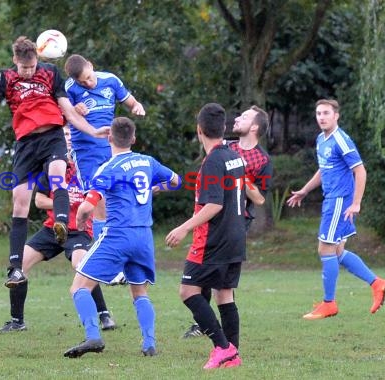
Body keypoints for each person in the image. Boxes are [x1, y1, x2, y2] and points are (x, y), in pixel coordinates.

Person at [0, 37, 108, 288]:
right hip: (25, 145)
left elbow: (68, 111)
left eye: (32, 67)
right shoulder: (5, 79)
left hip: (52, 138)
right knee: (19, 204)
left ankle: (61, 223)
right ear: (15, 61)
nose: (29, 72)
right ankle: (15, 269)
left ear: (37, 61)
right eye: (24, 68)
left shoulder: (50, 73)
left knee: (57, 175)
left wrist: (93, 131)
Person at [63, 117, 180, 358]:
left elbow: (88, 206)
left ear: (109, 138)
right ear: (134, 138)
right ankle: (149, 343)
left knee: (79, 287)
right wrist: (157, 188)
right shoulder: (147, 162)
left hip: (118, 235)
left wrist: (80, 221)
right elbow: (176, 181)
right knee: (140, 292)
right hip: (144, 236)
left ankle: (93, 336)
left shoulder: (108, 168)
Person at [0, 125, 116, 332]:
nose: (68, 138)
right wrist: (61, 203)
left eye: (71, 134)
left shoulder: (87, 168)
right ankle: (17, 322)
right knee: (19, 263)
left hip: (79, 230)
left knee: (82, 265)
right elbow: (40, 200)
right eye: (65, 135)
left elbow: (101, 199)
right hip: (52, 228)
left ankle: (103, 314)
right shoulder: (51, 167)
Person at [286, 99, 385, 320]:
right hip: (331, 200)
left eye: (326, 113)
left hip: (339, 202)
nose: (321, 117)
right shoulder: (321, 140)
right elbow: (324, 169)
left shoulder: (341, 140)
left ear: (336, 116)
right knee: (338, 252)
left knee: (325, 250)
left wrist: (356, 203)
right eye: (318, 113)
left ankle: (329, 303)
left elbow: (360, 171)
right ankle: (377, 283)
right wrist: (304, 190)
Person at [166, 103, 246, 369]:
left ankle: (223, 348)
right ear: (222, 129)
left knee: (188, 291)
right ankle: (232, 354)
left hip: (214, 239)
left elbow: (214, 205)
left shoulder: (213, 161)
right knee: (225, 294)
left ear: (199, 130)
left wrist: (184, 227)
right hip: (235, 235)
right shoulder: (233, 156)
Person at [183, 105, 273, 339]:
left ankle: (220, 342)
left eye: (244, 117)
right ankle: (222, 342)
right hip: (225, 227)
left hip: (226, 227)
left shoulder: (261, 159)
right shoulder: (230, 150)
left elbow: (260, 198)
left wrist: (240, 179)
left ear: (255, 126)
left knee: (198, 286)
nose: (238, 119)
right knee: (220, 290)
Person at [64, 54, 146, 243]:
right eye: (83, 82)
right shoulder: (69, 88)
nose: (89, 84)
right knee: (98, 199)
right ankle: (103, 244)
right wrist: (74, 109)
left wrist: (136, 107)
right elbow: (63, 115)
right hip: (86, 151)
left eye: (89, 78)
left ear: (91, 66)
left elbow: (131, 102)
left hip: (112, 149)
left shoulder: (110, 80)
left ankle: (117, 242)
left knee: (117, 196)